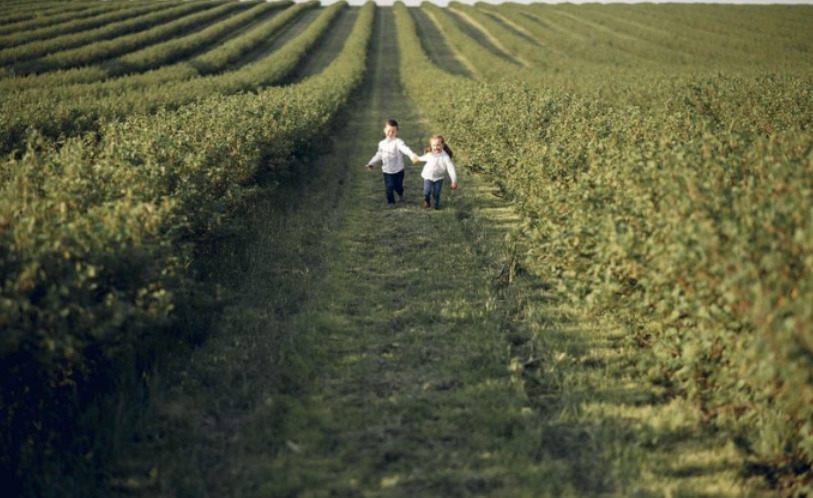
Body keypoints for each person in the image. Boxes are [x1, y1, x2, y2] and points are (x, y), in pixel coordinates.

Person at [364, 119, 419, 205]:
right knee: (389, 187)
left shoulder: (398, 142)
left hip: (398, 170)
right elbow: (379, 155)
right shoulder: (382, 144)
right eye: (389, 131)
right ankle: (391, 203)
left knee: (398, 186)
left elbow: (406, 149)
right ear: (384, 130)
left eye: (393, 131)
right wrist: (371, 163)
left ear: (397, 131)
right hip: (387, 170)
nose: (390, 133)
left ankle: (400, 194)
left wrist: (412, 156)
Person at [417, 134, 458, 210]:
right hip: (428, 176)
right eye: (434, 145)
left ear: (443, 144)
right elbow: (422, 158)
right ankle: (427, 200)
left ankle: (436, 205)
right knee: (426, 191)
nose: (436, 148)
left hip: (439, 178)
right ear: (431, 146)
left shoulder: (445, 157)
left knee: (436, 193)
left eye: (438, 145)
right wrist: (416, 159)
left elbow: (451, 169)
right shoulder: (430, 155)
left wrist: (454, 181)